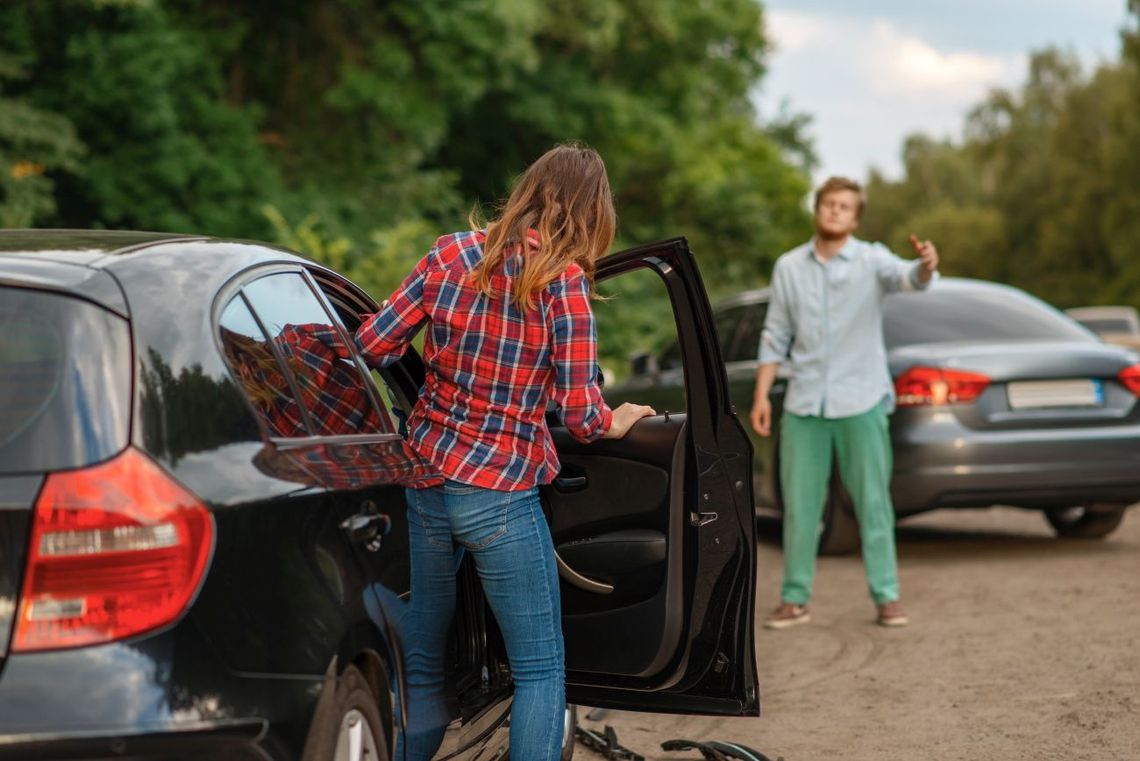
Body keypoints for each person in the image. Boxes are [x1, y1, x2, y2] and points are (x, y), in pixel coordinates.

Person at [354, 143, 655, 760]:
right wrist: (616, 418)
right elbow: (580, 415)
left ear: (527, 192)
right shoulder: (564, 286)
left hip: (427, 480)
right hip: (500, 496)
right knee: (541, 671)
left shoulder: (449, 254)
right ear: (589, 212)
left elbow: (373, 346)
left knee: (423, 665)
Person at [749, 176, 938, 629]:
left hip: (863, 400)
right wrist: (761, 395)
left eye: (844, 206)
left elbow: (908, 278)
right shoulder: (789, 267)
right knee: (800, 506)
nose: (834, 211)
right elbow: (775, 334)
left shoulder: (872, 260)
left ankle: (887, 595)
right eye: (828, 204)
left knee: (873, 501)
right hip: (804, 404)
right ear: (817, 210)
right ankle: (794, 598)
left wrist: (926, 264)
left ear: (855, 217)